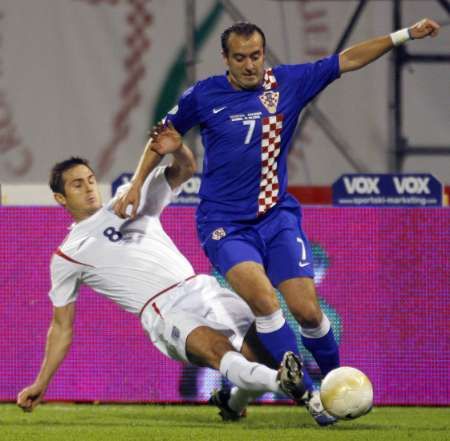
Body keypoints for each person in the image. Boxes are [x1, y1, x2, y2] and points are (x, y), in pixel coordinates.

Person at [113, 18, 441, 425]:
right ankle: (313, 398)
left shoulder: (288, 83)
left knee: (308, 312)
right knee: (266, 304)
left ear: (263, 54)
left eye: (256, 56)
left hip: (277, 218)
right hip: (224, 224)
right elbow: (161, 138)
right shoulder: (203, 94)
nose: (250, 65)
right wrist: (135, 185)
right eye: (240, 58)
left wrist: (404, 35)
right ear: (225, 59)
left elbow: (348, 59)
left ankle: (331, 385)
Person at [16, 127, 308, 421]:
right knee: (220, 352)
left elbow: (185, 168)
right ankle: (290, 387)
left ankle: (233, 403)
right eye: (77, 185)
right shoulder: (68, 255)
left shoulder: (126, 197)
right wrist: (41, 383)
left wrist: (178, 148)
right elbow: (61, 327)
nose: (90, 187)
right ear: (60, 198)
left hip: (200, 288)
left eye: (91, 180)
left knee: (264, 355)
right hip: (163, 309)